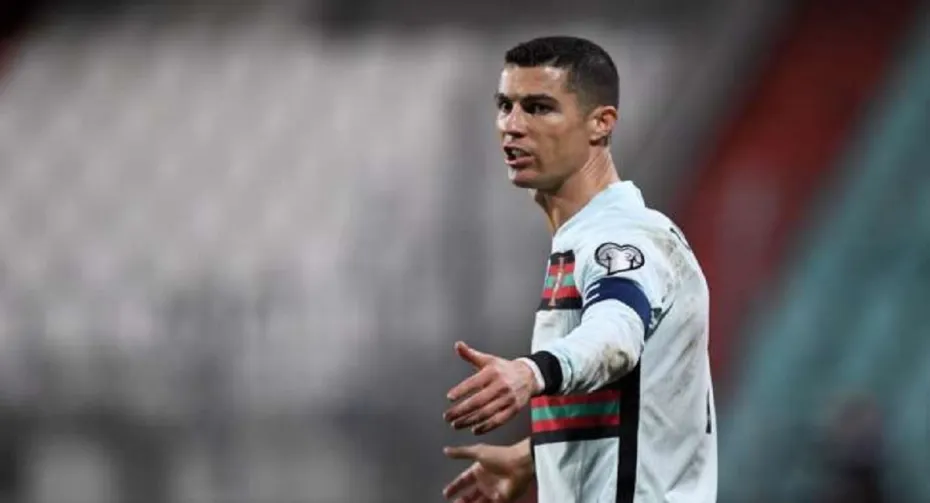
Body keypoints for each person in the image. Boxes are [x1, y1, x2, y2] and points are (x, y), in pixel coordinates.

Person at [441, 36, 717, 503]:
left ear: (601, 124)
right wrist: (535, 456)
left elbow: (615, 335)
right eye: (505, 106)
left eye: (539, 108)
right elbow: (637, 402)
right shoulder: (585, 237)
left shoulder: (623, 237)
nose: (513, 126)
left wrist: (531, 372)